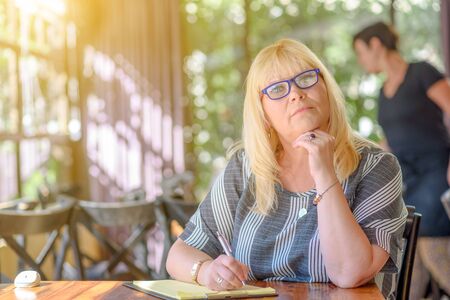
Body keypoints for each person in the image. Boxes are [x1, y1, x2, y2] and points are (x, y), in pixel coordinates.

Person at [166, 38, 406, 299]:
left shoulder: (376, 167)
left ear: (326, 88)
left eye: (305, 79)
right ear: (263, 114)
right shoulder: (246, 167)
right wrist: (206, 270)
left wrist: (324, 173)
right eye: (278, 89)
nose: (295, 93)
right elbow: (178, 255)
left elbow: (349, 274)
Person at [353, 21, 450, 237]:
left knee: (424, 229)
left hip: (436, 170)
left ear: (376, 44)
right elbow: (390, 141)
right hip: (406, 177)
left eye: (360, 52)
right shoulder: (382, 92)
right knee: (401, 233)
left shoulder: (421, 72)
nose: (360, 60)